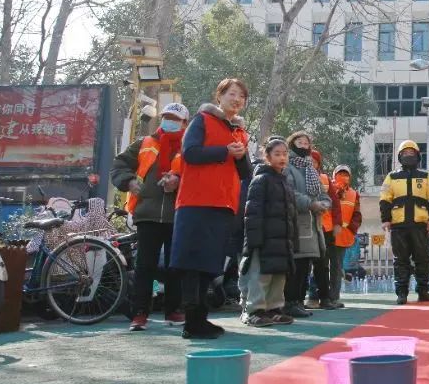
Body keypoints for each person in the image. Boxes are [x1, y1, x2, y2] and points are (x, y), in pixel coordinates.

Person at [173, 78, 253, 340]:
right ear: (219, 96)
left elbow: (246, 172)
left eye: (241, 96)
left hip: (224, 204)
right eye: (232, 94)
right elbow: (190, 153)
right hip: (196, 202)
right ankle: (191, 320)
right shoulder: (202, 120)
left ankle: (200, 318)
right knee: (192, 263)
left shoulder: (240, 132)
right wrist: (224, 151)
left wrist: (239, 156)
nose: (237, 99)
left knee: (210, 263)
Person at [111, 103, 189, 331]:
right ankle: (139, 314)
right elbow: (119, 164)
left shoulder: (190, 146)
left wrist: (178, 182)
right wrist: (128, 182)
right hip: (147, 214)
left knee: (176, 265)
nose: (169, 121)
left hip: (179, 214)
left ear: (185, 123)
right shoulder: (144, 143)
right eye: (166, 117)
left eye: (175, 118)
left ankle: (174, 310)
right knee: (145, 266)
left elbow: (198, 176)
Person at [239, 137, 297, 328]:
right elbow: (252, 212)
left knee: (278, 275)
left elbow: (291, 214)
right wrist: (254, 239)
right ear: (267, 156)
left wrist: (292, 240)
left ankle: (274, 309)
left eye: (285, 154)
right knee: (260, 276)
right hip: (264, 239)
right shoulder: (261, 180)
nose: (282, 158)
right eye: (277, 154)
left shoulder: (285, 182)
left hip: (282, 240)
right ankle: (253, 310)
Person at [379, 141, 429, 305]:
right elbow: (384, 199)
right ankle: (401, 293)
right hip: (398, 225)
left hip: (420, 225)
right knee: (400, 260)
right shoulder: (392, 177)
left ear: (418, 156)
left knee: (423, 259)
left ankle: (423, 291)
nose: (408, 156)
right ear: (400, 157)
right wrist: (385, 219)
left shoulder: (426, 176)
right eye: (405, 153)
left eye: (412, 153)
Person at [282, 131, 331, 318]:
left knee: (306, 264)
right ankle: (291, 301)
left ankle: (298, 301)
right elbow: (289, 192)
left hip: (313, 223)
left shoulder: (311, 169)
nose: (303, 146)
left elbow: (323, 194)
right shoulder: (288, 167)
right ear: (292, 144)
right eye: (299, 142)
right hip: (297, 220)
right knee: (297, 263)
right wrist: (310, 203)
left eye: (306, 143)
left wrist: (324, 204)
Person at [324, 165, 362, 309]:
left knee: (337, 268)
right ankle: (320, 297)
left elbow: (357, 214)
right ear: (334, 175)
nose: (343, 177)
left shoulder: (353, 194)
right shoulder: (328, 189)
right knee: (322, 266)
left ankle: (333, 298)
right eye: (340, 173)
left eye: (346, 174)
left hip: (343, 235)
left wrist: (352, 229)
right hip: (327, 233)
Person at [305, 149, 335, 308]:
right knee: (303, 264)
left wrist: (322, 206)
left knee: (322, 264)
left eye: (314, 162)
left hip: (321, 227)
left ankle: (322, 297)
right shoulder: (295, 175)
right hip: (303, 226)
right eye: (309, 161)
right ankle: (298, 299)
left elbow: (332, 201)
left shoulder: (323, 179)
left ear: (318, 164)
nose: (311, 164)